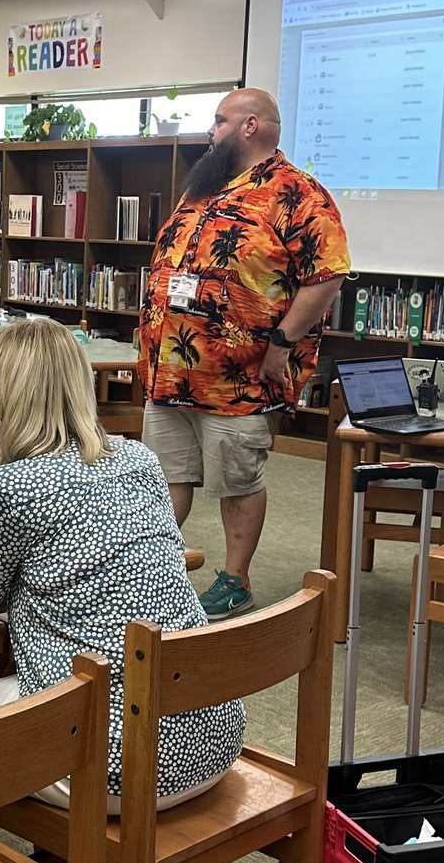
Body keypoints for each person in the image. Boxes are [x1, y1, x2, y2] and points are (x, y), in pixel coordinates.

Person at [0, 317, 244, 814]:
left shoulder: (8, 487)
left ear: (6, 410)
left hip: (112, 769)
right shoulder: (139, 460)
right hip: (212, 739)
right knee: (17, 681)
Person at [138, 88, 350, 620]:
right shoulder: (204, 186)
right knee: (164, 477)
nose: (210, 131)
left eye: (219, 121)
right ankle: (154, 572)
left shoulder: (297, 193)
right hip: (170, 371)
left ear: (250, 125)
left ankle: (236, 580)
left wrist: (282, 343)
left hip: (238, 376)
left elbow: (327, 275)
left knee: (237, 479)